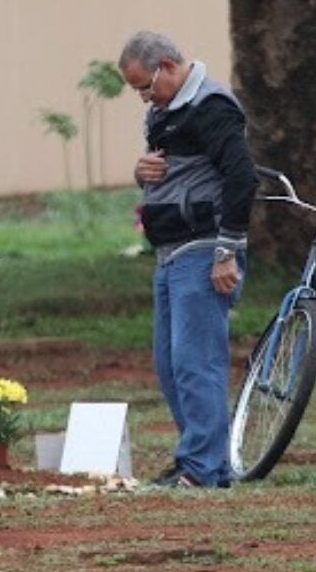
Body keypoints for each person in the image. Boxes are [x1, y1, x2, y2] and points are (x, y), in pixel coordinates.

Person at [118, 30, 258, 488]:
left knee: (197, 362)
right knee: (170, 363)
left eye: (145, 85)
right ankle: (200, 459)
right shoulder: (165, 113)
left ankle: (202, 468)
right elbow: (176, 175)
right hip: (169, 254)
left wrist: (227, 252)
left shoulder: (211, 106)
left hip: (203, 250)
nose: (143, 97)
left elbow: (241, 177)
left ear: (168, 66)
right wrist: (141, 173)